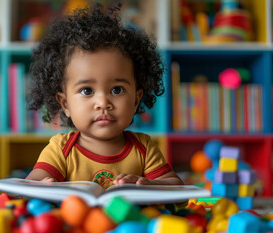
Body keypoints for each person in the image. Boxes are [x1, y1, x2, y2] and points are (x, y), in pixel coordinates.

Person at [26, 3, 183, 190]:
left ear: (135, 99)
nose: (103, 103)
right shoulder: (60, 149)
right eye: (87, 91)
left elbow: (176, 186)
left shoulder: (143, 148)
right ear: (65, 104)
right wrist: (41, 187)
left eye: (117, 90)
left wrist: (150, 184)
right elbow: (31, 183)